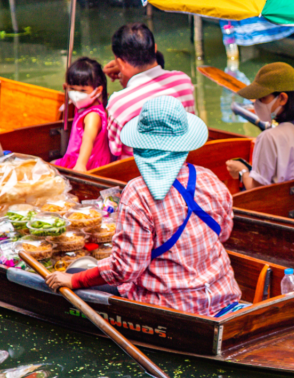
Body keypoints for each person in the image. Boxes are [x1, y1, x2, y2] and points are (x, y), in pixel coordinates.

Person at [45, 96, 242, 317]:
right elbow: (223, 234)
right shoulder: (210, 178)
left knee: (75, 269)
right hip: (223, 293)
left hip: (171, 306)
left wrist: (74, 279)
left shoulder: (138, 193)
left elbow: (124, 269)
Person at [225, 62, 294, 189]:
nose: (257, 105)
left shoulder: (269, 138)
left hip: (283, 207)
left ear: (282, 98)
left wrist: (242, 171)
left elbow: (257, 191)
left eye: (263, 99)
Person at [103, 23, 196, 158]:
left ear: (121, 63)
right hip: (181, 163)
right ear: (155, 49)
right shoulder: (183, 82)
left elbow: (114, 150)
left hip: (136, 174)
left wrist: (126, 75)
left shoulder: (118, 103)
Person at [52, 58, 113, 172]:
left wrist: (81, 165)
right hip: (73, 158)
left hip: (87, 163)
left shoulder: (92, 116)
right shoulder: (84, 106)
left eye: (83, 90)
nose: (76, 94)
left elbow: (88, 140)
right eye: (72, 89)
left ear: (98, 90)